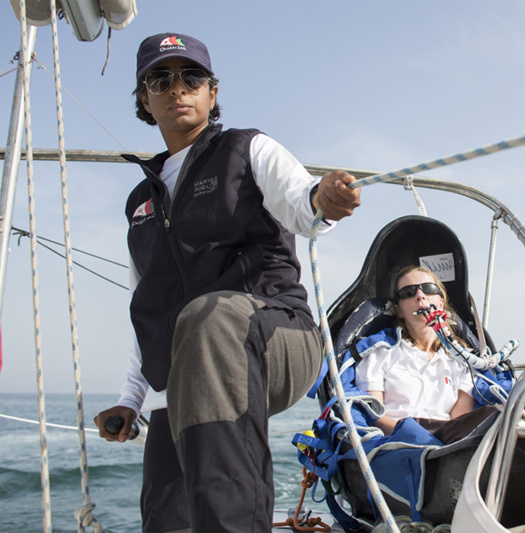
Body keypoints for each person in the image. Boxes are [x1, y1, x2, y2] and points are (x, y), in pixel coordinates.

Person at [93, 33, 361, 532]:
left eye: (192, 77)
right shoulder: (139, 205)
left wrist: (324, 201)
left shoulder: (247, 149)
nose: (178, 89)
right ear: (144, 100)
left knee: (209, 318)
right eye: (161, 79)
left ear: (212, 93)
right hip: (185, 374)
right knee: (166, 519)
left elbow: (301, 200)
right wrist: (132, 399)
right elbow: (145, 308)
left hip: (278, 338)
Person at [355, 265, 492, 441]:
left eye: (428, 289)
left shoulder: (463, 360)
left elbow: (460, 422)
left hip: (447, 445)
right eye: (408, 292)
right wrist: (416, 436)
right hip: (395, 443)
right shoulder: (378, 354)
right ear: (399, 310)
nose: (420, 295)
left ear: (441, 304)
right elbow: (375, 416)